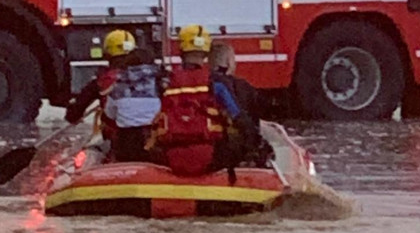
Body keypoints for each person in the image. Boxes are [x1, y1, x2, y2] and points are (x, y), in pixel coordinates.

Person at [151, 25, 259, 177]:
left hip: (171, 158)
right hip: (210, 158)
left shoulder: (167, 82)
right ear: (207, 53)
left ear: (181, 51)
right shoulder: (215, 83)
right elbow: (239, 118)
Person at [65, 30, 162, 162]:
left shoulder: (102, 81)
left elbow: (75, 112)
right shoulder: (155, 78)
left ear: (107, 54)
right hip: (153, 138)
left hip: (118, 139)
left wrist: (73, 115)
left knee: (92, 153)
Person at [209, 40, 274, 167]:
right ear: (229, 63)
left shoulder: (205, 85)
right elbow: (253, 119)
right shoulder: (242, 87)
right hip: (234, 147)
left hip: (212, 145)